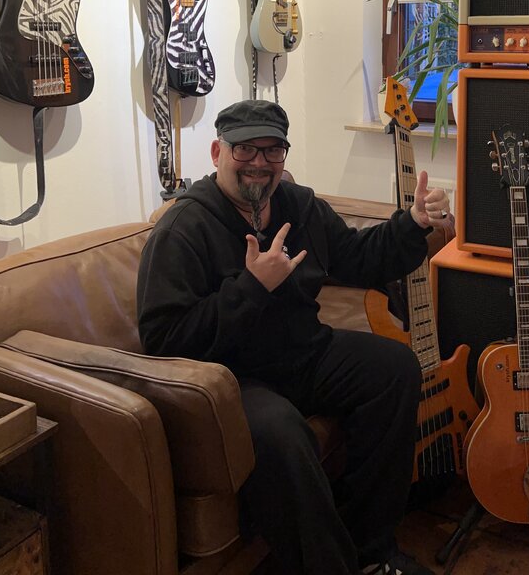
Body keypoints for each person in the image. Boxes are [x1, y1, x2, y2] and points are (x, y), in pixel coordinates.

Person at [137, 99, 454, 575]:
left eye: (272, 150)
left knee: (394, 369)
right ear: (217, 152)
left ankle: (371, 550)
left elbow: (358, 257)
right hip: (234, 379)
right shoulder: (183, 229)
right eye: (245, 149)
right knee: (282, 433)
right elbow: (164, 339)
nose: (259, 163)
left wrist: (411, 224)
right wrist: (251, 288)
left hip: (303, 353)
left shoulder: (299, 205)